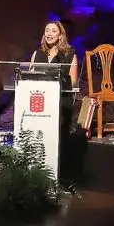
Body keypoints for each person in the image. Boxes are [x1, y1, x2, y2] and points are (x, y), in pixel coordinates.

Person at [30, 20, 84, 190]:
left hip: (61, 103)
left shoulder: (69, 54)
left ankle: (61, 178)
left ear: (60, 35)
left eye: (53, 30)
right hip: (39, 103)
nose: (49, 33)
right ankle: (37, 176)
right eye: (47, 30)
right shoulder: (37, 54)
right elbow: (28, 76)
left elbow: (73, 82)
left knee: (59, 136)